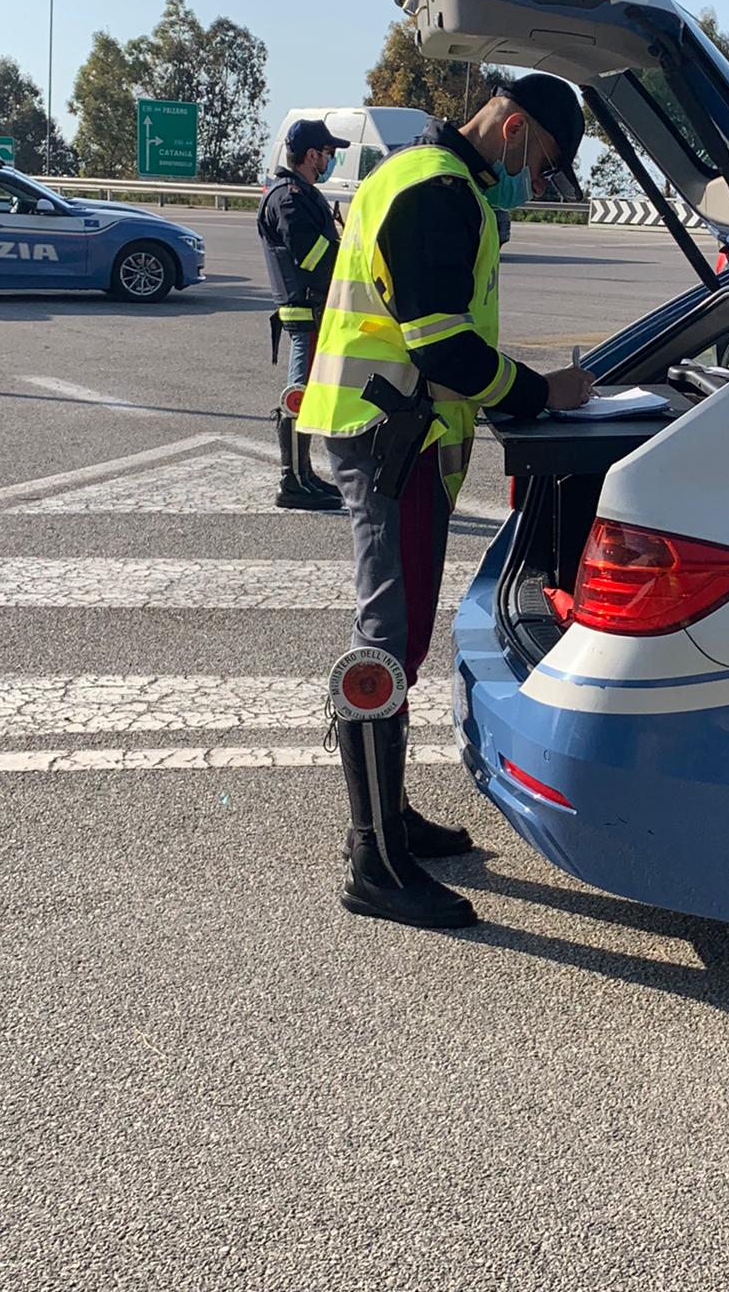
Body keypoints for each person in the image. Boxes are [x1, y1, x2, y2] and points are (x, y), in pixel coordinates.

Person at [298, 74, 594, 929]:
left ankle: (388, 820)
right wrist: (544, 395)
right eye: (539, 162)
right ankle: (375, 862)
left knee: (397, 635)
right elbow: (443, 346)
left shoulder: (421, 171)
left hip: (391, 431)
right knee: (385, 642)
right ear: (513, 128)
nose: (532, 184)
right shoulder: (440, 191)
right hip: (395, 437)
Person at [257, 119, 348, 510]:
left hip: (315, 308)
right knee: (299, 396)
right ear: (312, 155)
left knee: (306, 395)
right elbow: (310, 257)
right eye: (329, 154)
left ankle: (304, 475)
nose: (331, 160)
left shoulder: (301, 193)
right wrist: (351, 256)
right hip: (305, 309)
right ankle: (292, 481)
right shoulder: (289, 197)